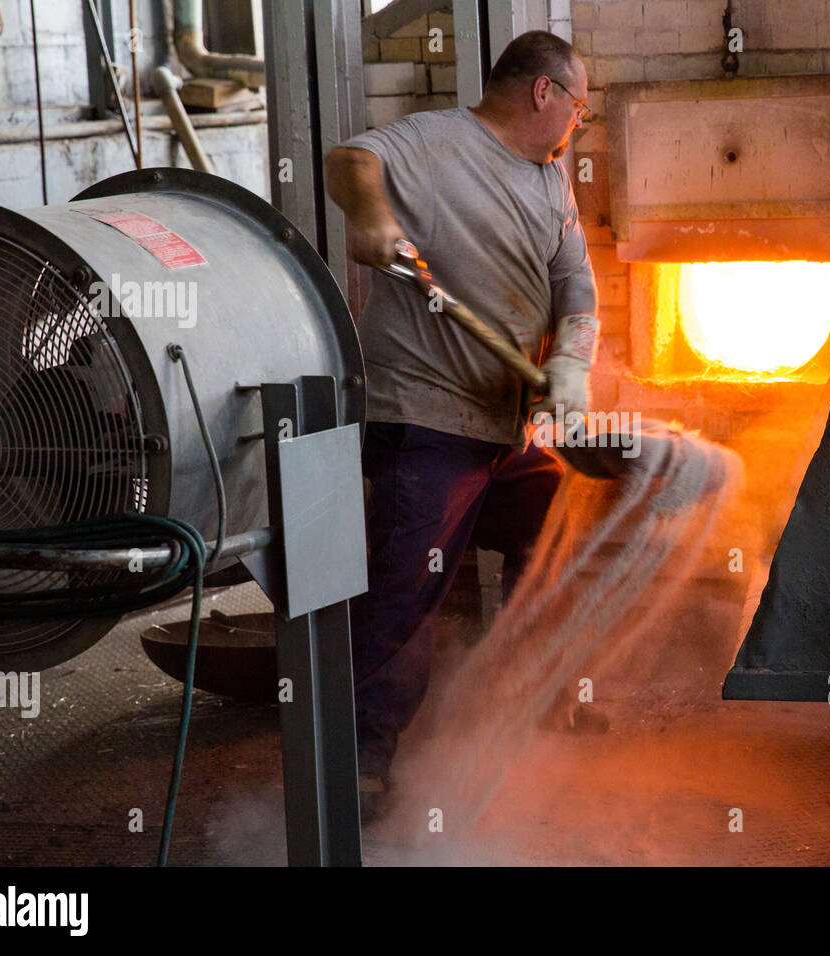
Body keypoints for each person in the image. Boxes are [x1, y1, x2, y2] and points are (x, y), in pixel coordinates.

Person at [324, 30, 599, 804]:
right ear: (543, 93)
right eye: (578, 106)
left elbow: (576, 286)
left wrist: (572, 364)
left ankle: (529, 695)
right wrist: (373, 216)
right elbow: (349, 162)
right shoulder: (434, 140)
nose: (578, 124)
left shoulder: (551, 181)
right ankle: (361, 763)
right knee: (407, 590)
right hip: (428, 419)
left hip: (502, 426)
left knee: (548, 531)